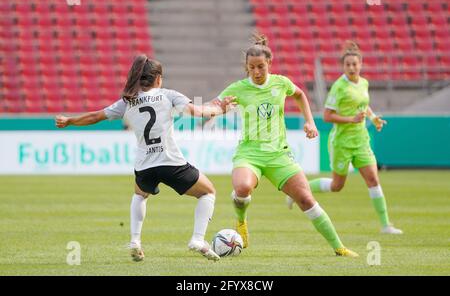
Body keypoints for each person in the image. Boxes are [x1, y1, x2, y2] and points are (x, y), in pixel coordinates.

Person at [55, 55, 236, 262]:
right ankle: (197, 239)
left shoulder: (128, 101)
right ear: (158, 78)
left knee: (140, 195)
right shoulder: (168, 95)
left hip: (145, 165)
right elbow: (197, 111)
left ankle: (135, 241)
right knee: (208, 192)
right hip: (170, 162)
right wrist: (220, 109)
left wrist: (69, 120)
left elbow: (95, 116)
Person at [210, 33, 358, 257]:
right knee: (242, 188)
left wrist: (309, 121)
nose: (257, 72)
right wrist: (216, 108)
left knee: (306, 199)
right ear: (247, 67)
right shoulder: (239, 88)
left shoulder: (281, 83)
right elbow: (215, 104)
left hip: (279, 154)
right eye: (252, 68)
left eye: (261, 66)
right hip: (250, 153)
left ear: (269, 63)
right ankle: (241, 221)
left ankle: (339, 247)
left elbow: (299, 95)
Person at [286, 41, 403, 235]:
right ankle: (297, 192)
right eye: (347, 64)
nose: (351, 67)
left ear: (361, 65)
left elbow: (363, 106)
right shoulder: (339, 87)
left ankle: (386, 225)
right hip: (341, 142)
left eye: (354, 64)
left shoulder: (364, 83)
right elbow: (326, 116)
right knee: (336, 185)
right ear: (343, 66)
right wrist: (351, 119)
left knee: (373, 179)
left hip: (361, 140)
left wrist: (373, 119)